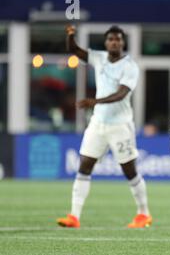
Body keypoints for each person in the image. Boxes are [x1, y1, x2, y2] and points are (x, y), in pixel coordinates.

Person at [57, 25, 152, 228]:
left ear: (123, 43)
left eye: (118, 39)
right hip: (98, 124)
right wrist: (70, 35)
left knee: (129, 170)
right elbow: (75, 50)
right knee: (84, 165)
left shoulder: (129, 66)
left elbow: (122, 93)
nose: (114, 42)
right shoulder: (98, 58)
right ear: (106, 42)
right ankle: (74, 216)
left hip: (120, 126)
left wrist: (95, 101)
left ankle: (143, 214)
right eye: (110, 39)